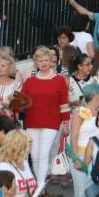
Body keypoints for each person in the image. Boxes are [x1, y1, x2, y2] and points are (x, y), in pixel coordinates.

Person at [21, 46, 69, 184]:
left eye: (46, 60)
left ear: (52, 61)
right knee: (34, 156)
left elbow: (64, 104)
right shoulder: (29, 81)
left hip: (51, 122)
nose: (43, 63)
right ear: (35, 62)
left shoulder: (60, 80)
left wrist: (65, 124)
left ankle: (39, 187)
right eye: (40, 60)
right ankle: (40, 185)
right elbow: (21, 102)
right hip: (31, 121)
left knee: (43, 155)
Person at [70, 83, 99, 197]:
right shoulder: (79, 112)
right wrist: (74, 157)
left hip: (97, 157)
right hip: (79, 154)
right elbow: (74, 136)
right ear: (96, 96)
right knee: (80, 194)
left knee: (93, 192)